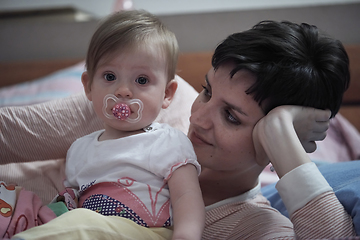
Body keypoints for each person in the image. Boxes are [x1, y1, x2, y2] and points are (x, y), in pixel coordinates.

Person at [3, 19, 356, 239]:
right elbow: (8, 133)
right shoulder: (138, 102)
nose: (198, 117)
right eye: (207, 91)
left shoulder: (253, 227)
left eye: (231, 117)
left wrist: (282, 137)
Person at [5, 10, 205, 240]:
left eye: (142, 80)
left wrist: (186, 236)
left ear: (167, 94)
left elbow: (187, 195)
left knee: (82, 223)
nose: (123, 91)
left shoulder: (168, 140)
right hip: (86, 229)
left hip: (148, 232)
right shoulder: (79, 149)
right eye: (110, 77)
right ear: (89, 86)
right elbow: (72, 200)